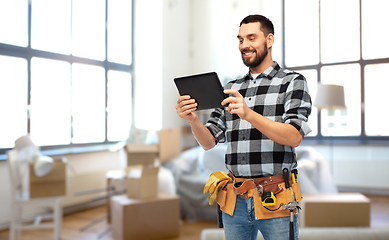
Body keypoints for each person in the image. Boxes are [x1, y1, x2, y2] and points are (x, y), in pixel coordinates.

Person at [176, 14, 311, 240]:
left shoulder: (292, 81)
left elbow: (294, 136)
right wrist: (193, 120)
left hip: (276, 198)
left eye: (251, 38)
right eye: (240, 39)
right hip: (235, 200)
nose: (244, 45)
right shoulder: (231, 88)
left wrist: (248, 113)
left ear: (269, 40)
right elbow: (208, 142)